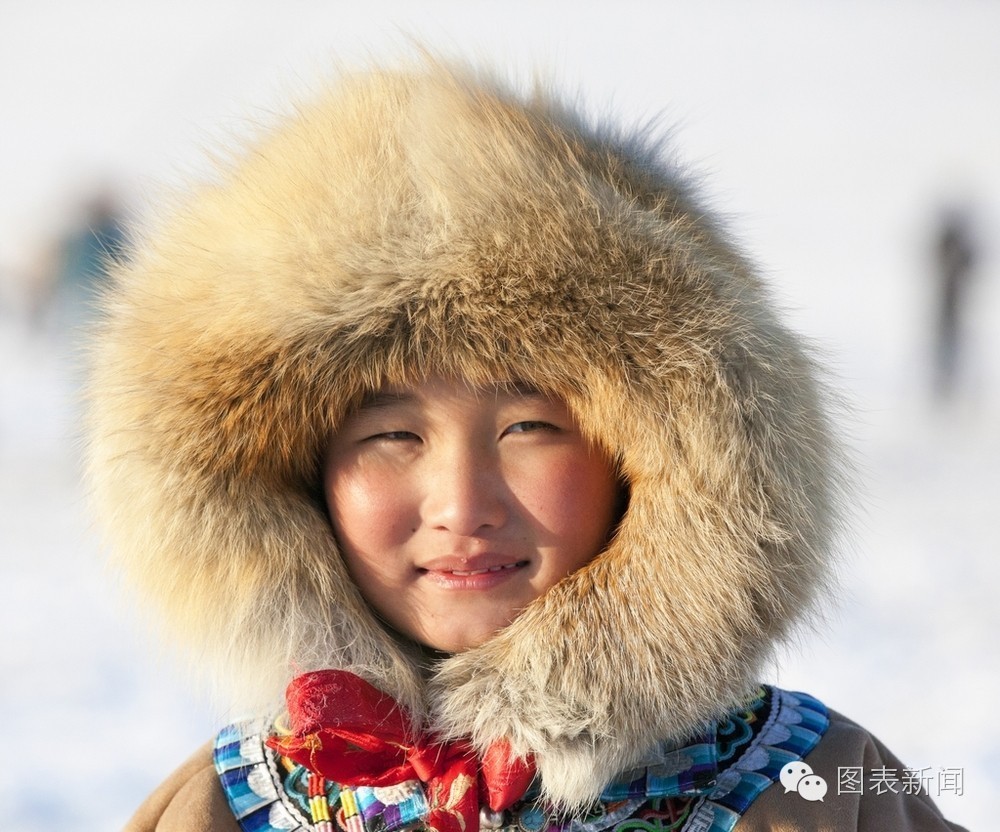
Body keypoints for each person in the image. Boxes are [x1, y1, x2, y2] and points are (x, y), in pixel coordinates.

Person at [86, 61, 966, 832]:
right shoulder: (226, 807)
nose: (463, 506)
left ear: (654, 461)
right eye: (392, 435)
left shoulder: (821, 790)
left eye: (529, 429)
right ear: (288, 478)